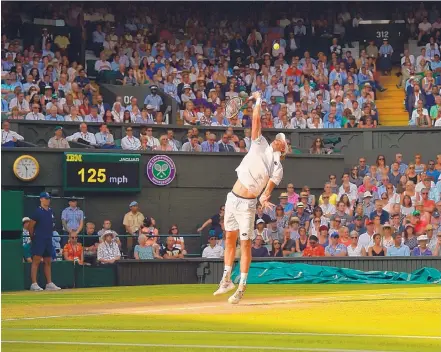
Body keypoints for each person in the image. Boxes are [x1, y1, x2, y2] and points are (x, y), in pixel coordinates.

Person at [214, 91, 287, 304]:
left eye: (281, 141)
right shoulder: (260, 143)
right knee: (229, 238)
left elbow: (269, 188)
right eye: (278, 139)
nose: (277, 140)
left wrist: (264, 198)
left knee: (245, 244)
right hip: (232, 198)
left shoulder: (278, 167)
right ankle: (226, 280)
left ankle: (242, 287)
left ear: (282, 149)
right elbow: (256, 121)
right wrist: (258, 101)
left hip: (247, 205)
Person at [28, 192, 61, 291]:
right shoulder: (37, 211)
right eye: (46, 198)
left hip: (48, 239)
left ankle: (49, 283)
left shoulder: (50, 211)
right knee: (36, 260)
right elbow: (31, 226)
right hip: (39, 239)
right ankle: (34, 283)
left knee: (48, 261)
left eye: (48, 198)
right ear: (41, 199)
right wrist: (33, 237)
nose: (48, 200)